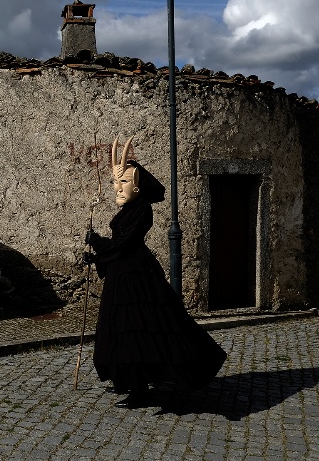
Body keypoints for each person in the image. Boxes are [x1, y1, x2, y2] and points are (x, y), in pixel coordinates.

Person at [84, 136, 227, 408]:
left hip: (137, 279)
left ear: (138, 187)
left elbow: (123, 244)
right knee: (121, 330)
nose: (118, 187)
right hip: (122, 275)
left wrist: (97, 243)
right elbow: (119, 249)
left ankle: (140, 390)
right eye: (115, 181)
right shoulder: (128, 209)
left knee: (139, 331)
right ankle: (129, 380)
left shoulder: (142, 210)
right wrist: (96, 257)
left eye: (124, 181)